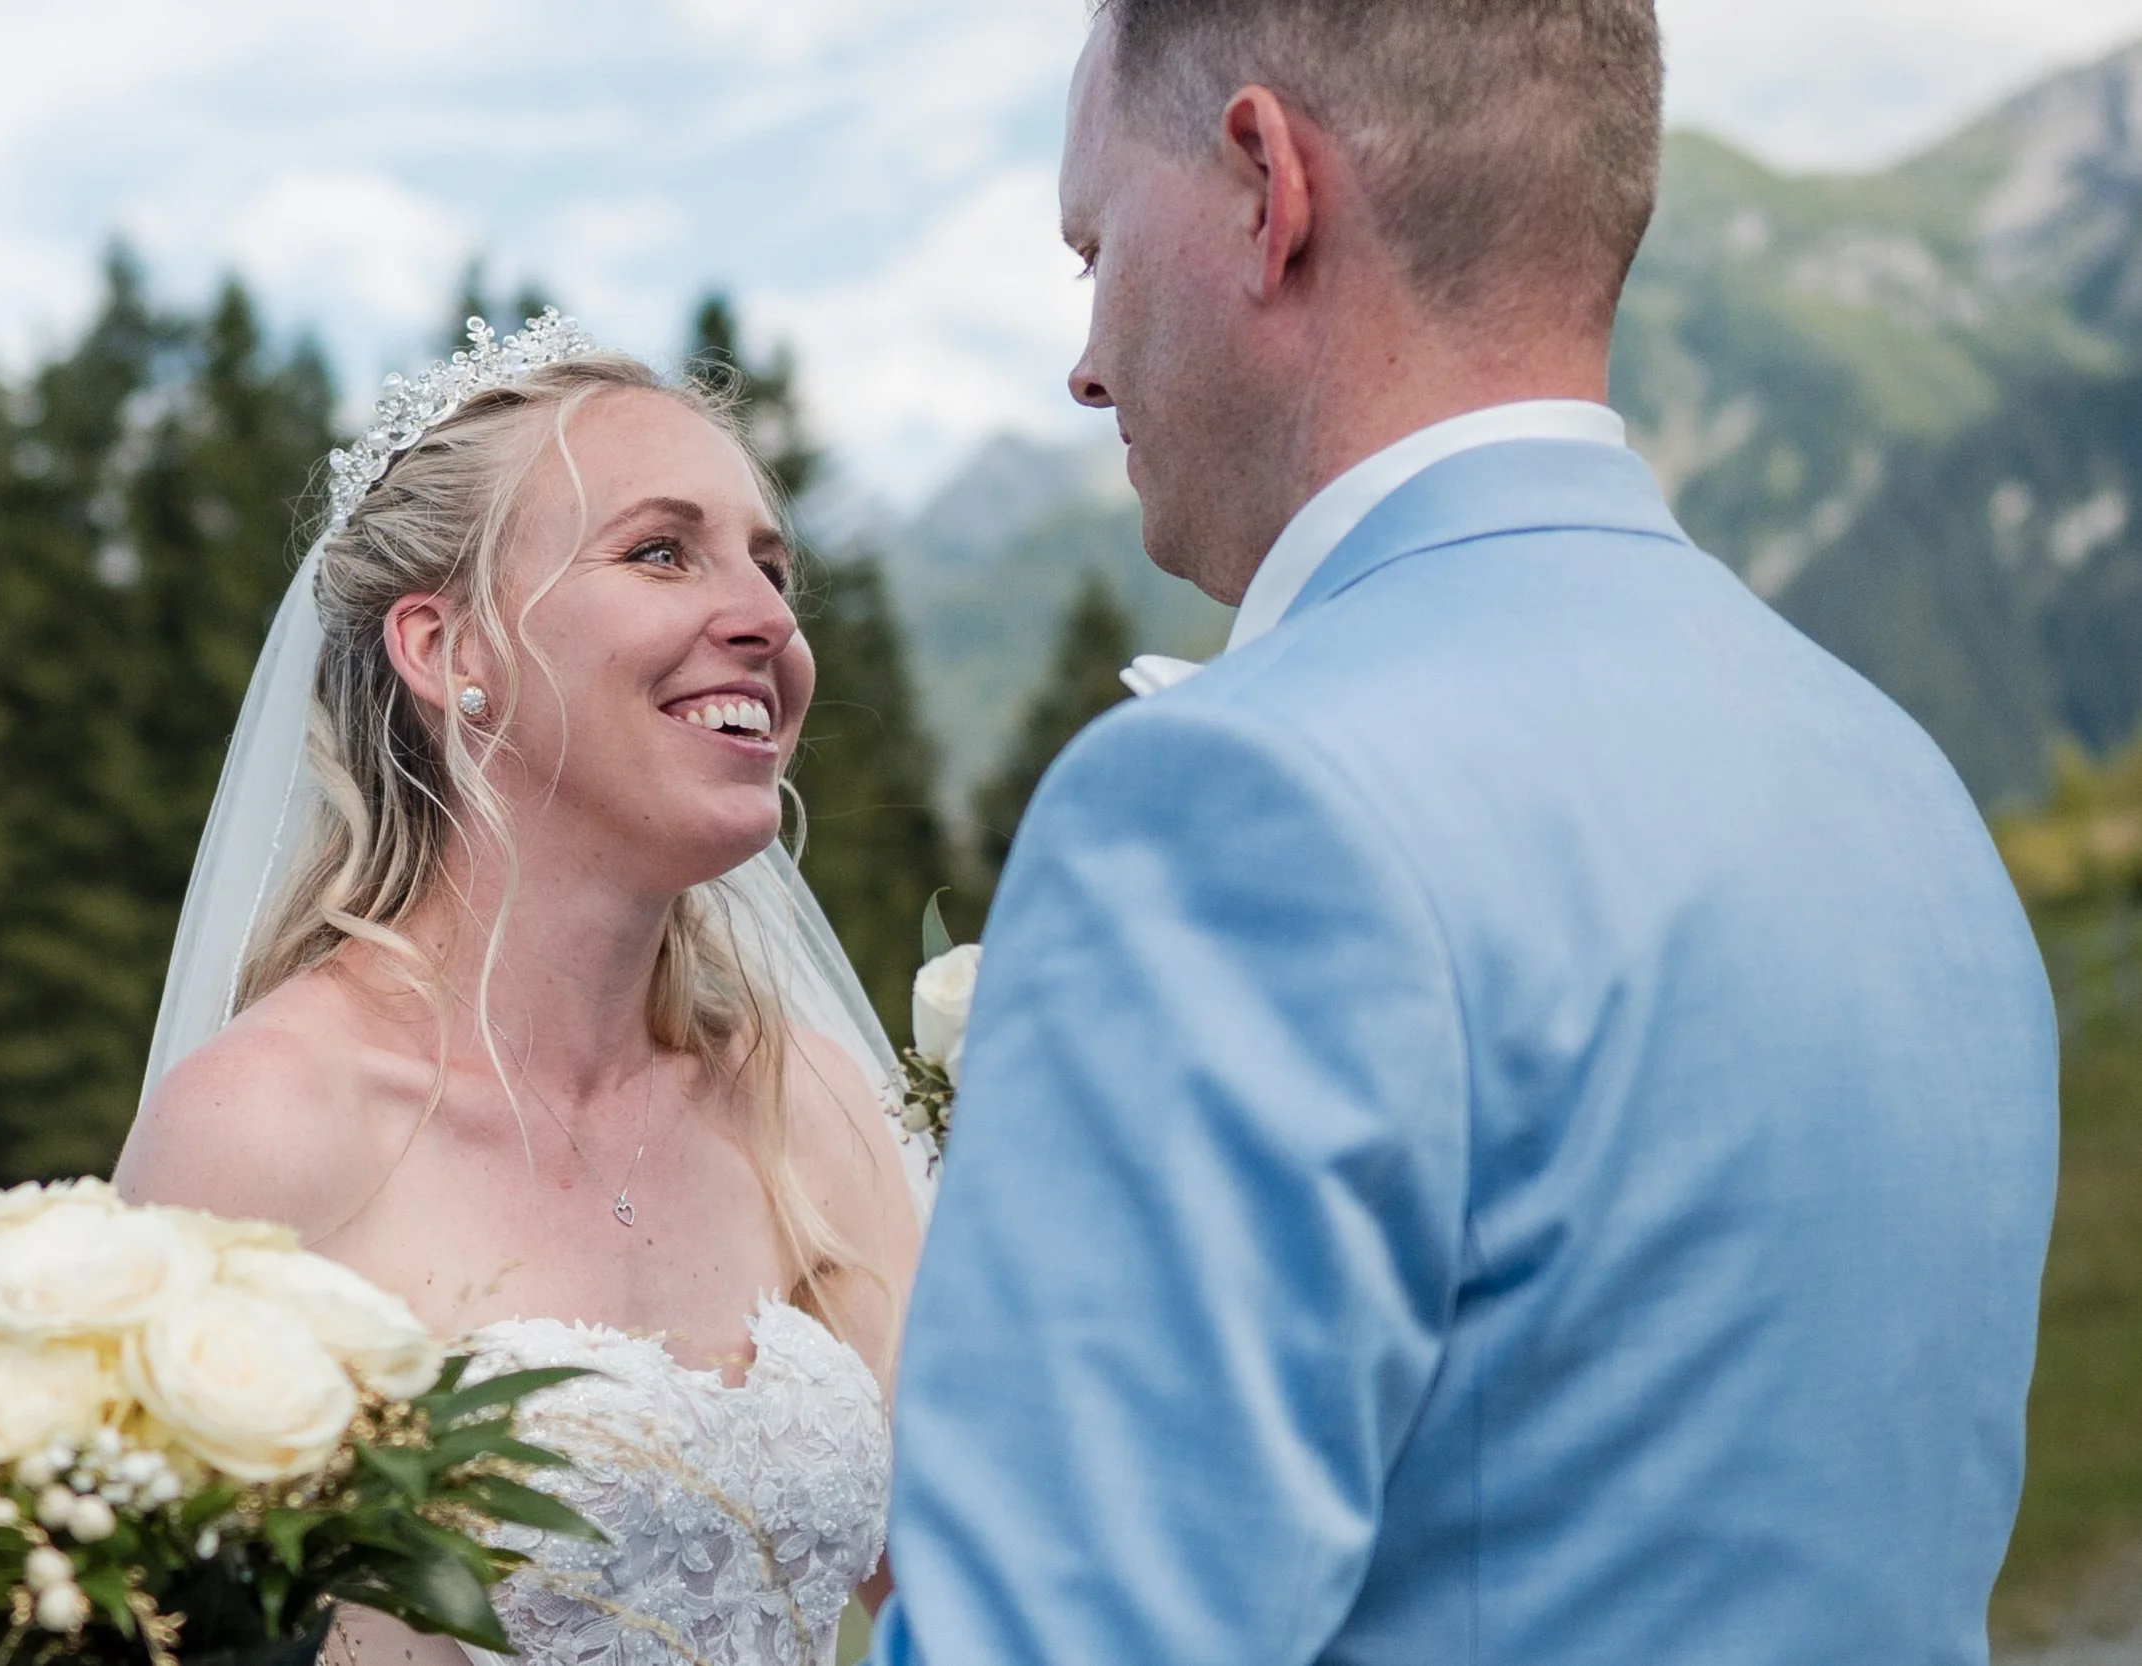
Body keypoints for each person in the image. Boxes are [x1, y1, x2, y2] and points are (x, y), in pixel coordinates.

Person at [872, 3, 2058, 1662]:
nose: (1085, 360)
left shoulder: (1238, 802)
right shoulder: (1901, 786)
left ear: (1265, 188)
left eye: (1093, 248)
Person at [114, 323, 924, 1666]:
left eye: (772, 568)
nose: (770, 620)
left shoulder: (812, 1102)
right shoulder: (262, 1131)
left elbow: (982, 1603)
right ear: (446, 648)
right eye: (662, 549)